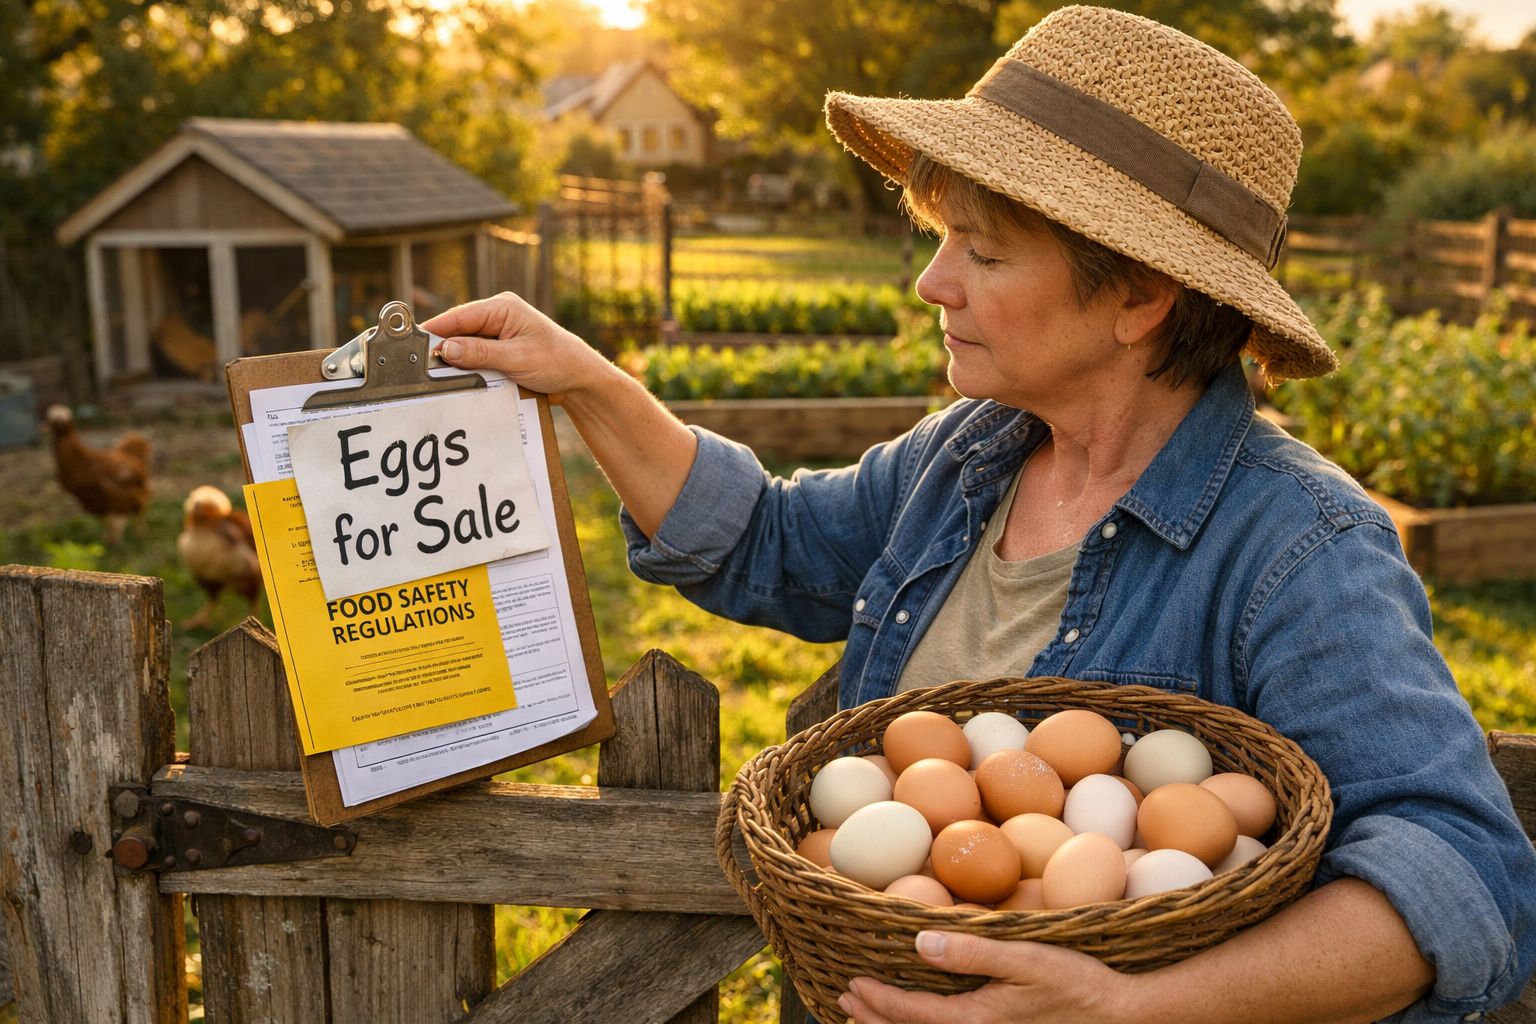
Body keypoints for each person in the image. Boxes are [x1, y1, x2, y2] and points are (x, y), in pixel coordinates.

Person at [423, 7, 1536, 1020]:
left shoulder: (1300, 550)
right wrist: (584, 380)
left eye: (986, 251)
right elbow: (767, 541)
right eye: (943, 238)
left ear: (1143, 297)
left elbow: (1467, 871)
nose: (932, 283)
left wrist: (1135, 1008)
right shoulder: (970, 457)